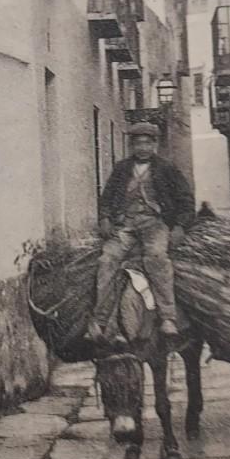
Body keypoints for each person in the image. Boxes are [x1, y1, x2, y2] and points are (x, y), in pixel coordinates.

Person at [87, 122, 195, 347]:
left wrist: (179, 226)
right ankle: (101, 320)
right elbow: (106, 198)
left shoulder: (167, 169)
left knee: (156, 258)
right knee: (107, 260)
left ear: (154, 144)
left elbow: (186, 201)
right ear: (132, 146)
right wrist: (105, 218)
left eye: (147, 143)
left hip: (154, 224)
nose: (143, 148)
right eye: (138, 143)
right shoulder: (121, 169)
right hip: (125, 224)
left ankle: (168, 318)